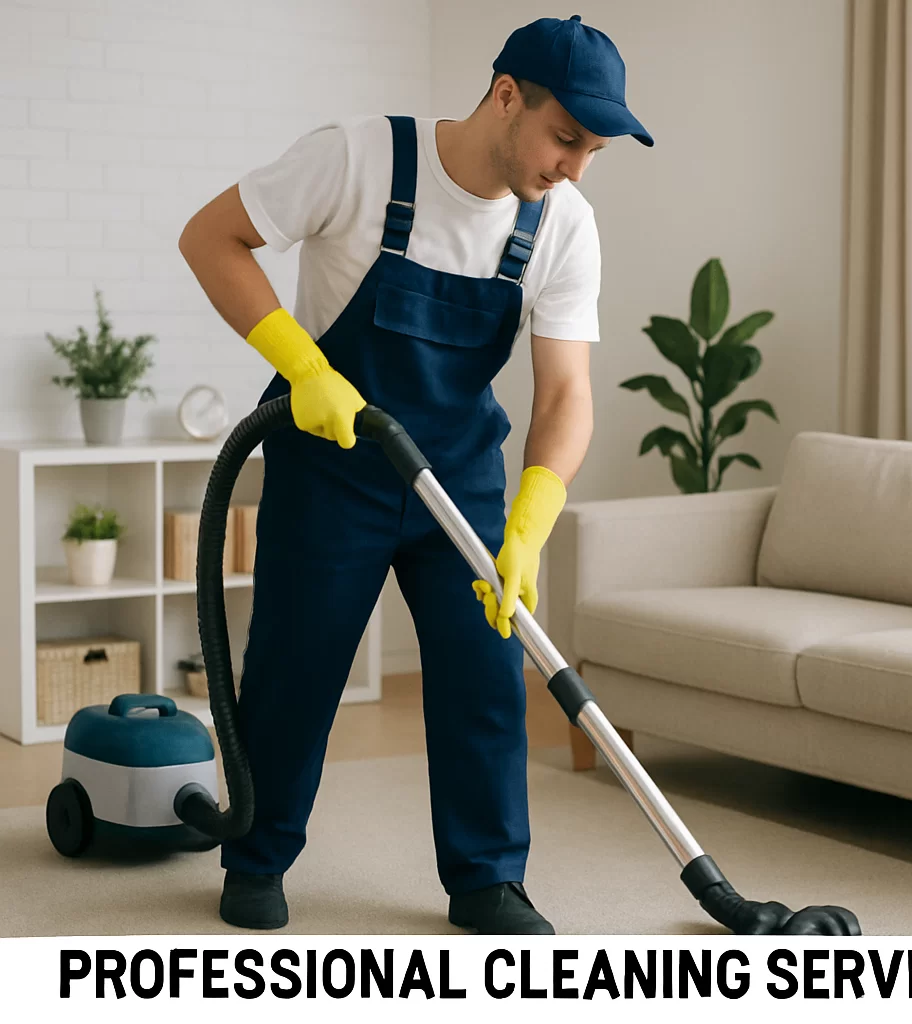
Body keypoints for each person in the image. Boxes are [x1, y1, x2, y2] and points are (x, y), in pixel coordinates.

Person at [178, 13, 652, 935]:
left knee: (485, 673)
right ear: (506, 97)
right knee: (297, 667)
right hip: (330, 468)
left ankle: (486, 879)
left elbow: (565, 396)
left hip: (459, 478)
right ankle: (258, 852)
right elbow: (210, 238)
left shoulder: (564, 226)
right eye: (566, 139)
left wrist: (531, 522)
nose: (575, 168)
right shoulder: (360, 160)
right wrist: (304, 366)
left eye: (594, 150)